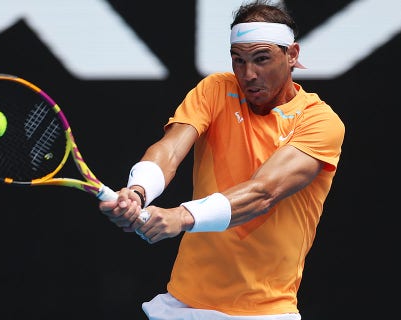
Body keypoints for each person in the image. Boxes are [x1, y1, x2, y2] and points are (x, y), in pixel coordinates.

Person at [99, 0, 345, 318]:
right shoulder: (215, 90)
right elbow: (171, 149)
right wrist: (138, 191)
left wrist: (181, 217)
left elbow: (263, 192)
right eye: (238, 60)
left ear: (292, 54)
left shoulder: (319, 122)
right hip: (184, 304)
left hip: (264, 311)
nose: (248, 74)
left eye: (261, 59)